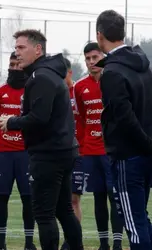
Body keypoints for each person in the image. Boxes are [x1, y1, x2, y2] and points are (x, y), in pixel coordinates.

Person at [0, 29, 83, 250]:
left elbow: (40, 117)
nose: (17, 53)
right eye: (15, 48)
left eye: (22, 48)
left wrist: (12, 122)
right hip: (61, 150)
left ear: (38, 49)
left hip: (49, 154)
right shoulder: (45, 73)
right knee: (64, 210)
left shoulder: (41, 76)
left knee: (44, 214)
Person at [96, 10, 152, 250]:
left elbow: (124, 117)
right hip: (145, 153)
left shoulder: (112, 72)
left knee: (133, 221)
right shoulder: (143, 65)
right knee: (141, 217)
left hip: (128, 156)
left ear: (99, 35)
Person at [74, 42, 124, 250]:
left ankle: (118, 243)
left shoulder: (114, 80)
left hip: (112, 152)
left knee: (116, 197)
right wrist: (83, 144)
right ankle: (103, 243)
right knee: (98, 197)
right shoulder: (79, 87)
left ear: (103, 57)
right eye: (88, 59)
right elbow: (80, 119)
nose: (92, 62)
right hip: (91, 152)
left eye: (96, 57)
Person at [0, 52, 36, 250]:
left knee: (28, 198)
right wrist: (3, 137)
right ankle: (0, 242)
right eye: (12, 64)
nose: (15, 68)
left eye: (18, 64)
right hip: (3, 153)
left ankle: (28, 243)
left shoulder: (33, 89)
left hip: (26, 154)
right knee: (1, 198)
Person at [60, 58, 85, 250]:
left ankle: (75, 240)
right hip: (61, 152)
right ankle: (70, 238)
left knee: (74, 198)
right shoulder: (56, 92)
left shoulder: (77, 91)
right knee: (65, 200)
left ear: (70, 73)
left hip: (78, 152)